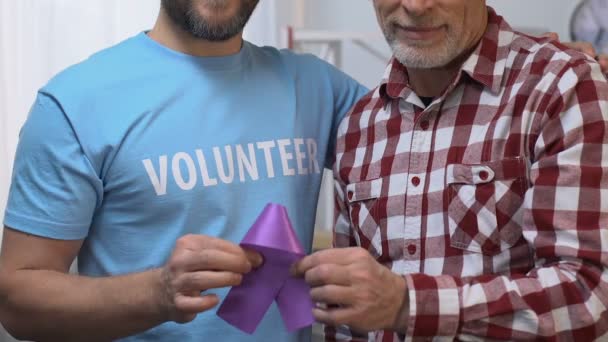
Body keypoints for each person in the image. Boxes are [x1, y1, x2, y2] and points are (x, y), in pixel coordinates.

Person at [0, 0, 367, 341]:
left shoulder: (320, 88)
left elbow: (419, 141)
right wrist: (157, 292)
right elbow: (16, 300)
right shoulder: (75, 103)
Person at [294, 0, 608, 340]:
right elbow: (344, 321)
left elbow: (589, 293)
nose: (415, 5)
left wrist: (408, 306)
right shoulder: (359, 126)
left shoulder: (559, 87)